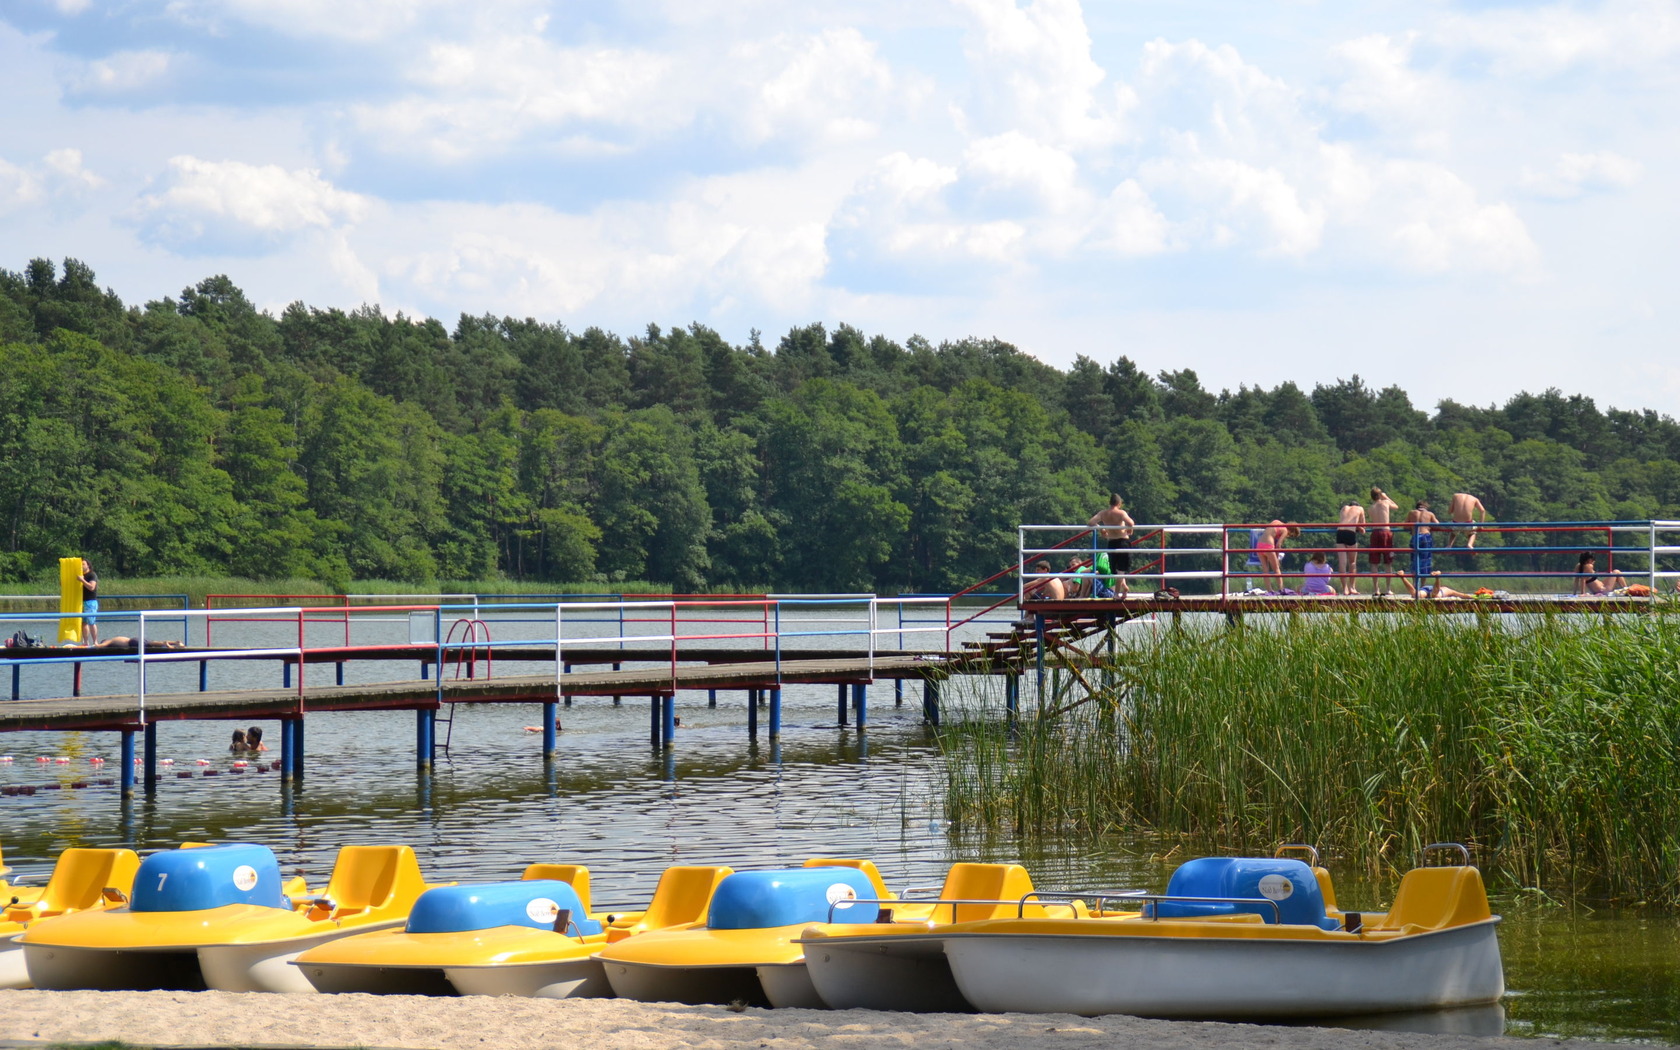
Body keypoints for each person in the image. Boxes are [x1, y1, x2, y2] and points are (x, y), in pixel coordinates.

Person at [1088, 494, 1134, 598]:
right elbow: (1131, 523)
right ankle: (1117, 593)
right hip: (1123, 542)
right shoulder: (1121, 513)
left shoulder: (1103, 513)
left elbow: (1091, 522)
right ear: (1119, 503)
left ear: (1110, 503)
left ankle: (1123, 586)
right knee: (1121, 570)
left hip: (1112, 542)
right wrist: (1129, 530)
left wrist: (1101, 529)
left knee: (1115, 569)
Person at [1366, 488, 1400, 595]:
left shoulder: (1370, 508)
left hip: (1375, 532)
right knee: (1388, 562)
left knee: (1374, 563)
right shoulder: (1385, 503)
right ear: (1380, 495)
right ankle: (1388, 589)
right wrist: (1386, 497)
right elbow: (1396, 506)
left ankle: (1376, 589)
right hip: (1385, 531)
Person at [1253, 520, 1299, 593]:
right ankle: (1281, 589)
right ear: (1291, 531)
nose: (1288, 536)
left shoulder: (1276, 521)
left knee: (1265, 570)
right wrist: (1277, 559)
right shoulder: (1285, 530)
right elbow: (1278, 545)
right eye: (1290, 535)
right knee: (1277, 568)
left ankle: (1269, 590)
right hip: (1268, 545)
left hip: (1259, 545)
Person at [1335, 499, 1366, 594]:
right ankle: (1352, 587)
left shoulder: (1344, 508)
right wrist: (1359, 528)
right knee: (1352, 562)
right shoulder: (1360, 508)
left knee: (1342, 562)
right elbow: (1363, 526)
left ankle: (1344, 589)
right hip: (1350, 533)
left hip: (1339, 532)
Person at [1404, 499, 1439, 582]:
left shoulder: (1411, 513)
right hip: (1426, 536)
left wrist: (1411, 528)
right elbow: (1438, 525)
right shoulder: (1429, 514)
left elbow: (1405, 526)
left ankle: (1415, 585)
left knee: (1414, 561)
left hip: (1415, 536)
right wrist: (1429, 526)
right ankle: (1422, 586)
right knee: (1425, 562)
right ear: (1426, 507)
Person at [1395, 571, 1475, 600]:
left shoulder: (1447, 590)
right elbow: (1461, 595)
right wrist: (1473, 597)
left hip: (1428, 589)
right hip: (1430, 590)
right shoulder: (1447, 590)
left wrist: (1473, 597)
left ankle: (1403, 577)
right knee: (1417, 595)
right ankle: (1437, 577)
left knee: (1432, 595)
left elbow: (1461, 595)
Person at [77, 558, 98, 646]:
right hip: (81, 602)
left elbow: (91, 587)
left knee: (91, 622)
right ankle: (85, 642)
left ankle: (95, 642)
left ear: (88, 565)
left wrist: (82, 580)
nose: (81, 566)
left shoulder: (92, 575)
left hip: (90, 601)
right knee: (83, 622)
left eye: (83, 564)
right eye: (80, 564)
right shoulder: (80, 575)